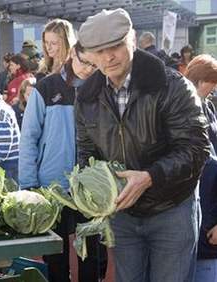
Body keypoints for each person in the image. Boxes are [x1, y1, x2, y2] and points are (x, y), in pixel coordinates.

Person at [76, 8, 209, 282]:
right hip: (124, 216)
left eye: (116, 46)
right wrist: (94, 195)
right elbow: (87, 153)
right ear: (90, 54)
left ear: (132, 40)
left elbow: (196, 147)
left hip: (172, 209)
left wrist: (150, 177)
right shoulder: (86, 98)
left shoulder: (173, 86)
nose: (108, 56)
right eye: (100, 51)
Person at [19, 37, 99, 280]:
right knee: (56, 255)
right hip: (53, 186)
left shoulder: (100, 87)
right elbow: (29, 137)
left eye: (93, 65)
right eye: (84, 62)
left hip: (90, 186)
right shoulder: (46, 87)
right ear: (73, 53)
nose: (88, 69)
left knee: (92, 255)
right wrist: (29, 184)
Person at [184, 54, 217, 282]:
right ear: (199, 80)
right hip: (190, 212)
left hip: (209, 212)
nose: (213, 89)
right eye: (212, 84)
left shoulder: (208, 107)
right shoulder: (180, 110)